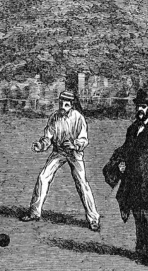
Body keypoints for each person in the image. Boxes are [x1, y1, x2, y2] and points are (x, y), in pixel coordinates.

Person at [102, 88, 148, 266]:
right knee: (138, 215)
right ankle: (141, 249)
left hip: (147, 181)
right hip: (132, 180)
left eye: (144, 106)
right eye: (139, 106)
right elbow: (126, 149)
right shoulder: (132, 129)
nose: (141, 109)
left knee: (146, 217)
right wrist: (120, 162)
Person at [21, 91, 102, 231]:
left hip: (74, 153)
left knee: (82, 184)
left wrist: (75, 144)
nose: (62, 106)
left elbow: (84, 139)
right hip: (58, 152)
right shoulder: (54, 117)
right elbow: (48, 137)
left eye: (65, 103)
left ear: (71, 105)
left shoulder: (78, 118)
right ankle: (34, 213)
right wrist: (41, 145)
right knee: (43, 177)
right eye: (61, 103)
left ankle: (93, 219)